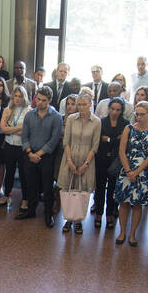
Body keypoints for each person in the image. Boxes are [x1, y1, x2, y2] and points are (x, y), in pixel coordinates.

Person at [114, 100, 148, 247]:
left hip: (143, 172)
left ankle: (133, 234)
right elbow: (121, 150)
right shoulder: (128, 128)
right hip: (127, 169)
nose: (139, 117)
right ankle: (122, 232)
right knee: (124, 202)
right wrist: (128, 170)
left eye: (142, 114)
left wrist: (137, 171)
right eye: (137, 114)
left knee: (137, 205)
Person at [17, 88, 63, 227]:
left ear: (49, 100)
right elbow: (24, 136)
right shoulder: (29, 115)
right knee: (31, 184)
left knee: (47, 186)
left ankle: (48, 214)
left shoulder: (56, 117)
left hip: (46, 156)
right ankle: (31, 210)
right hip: (30, 154)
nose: (40, 102)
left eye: (44, 100)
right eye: (38, 99)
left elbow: (54, 140)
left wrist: (38, 154)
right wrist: (30, 153)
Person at [57, 91, 101, 235]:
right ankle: (68, 219)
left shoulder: (96, 122)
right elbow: (66, 141)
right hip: (70, 157)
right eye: (79, 104)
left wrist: (85, 165)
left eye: (84, 104)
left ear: (90, 105)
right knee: (69, 189)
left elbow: (95, 146)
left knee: (82, 191)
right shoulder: (70, 119)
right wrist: (69, 161)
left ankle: (79, 221)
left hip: (87, 159)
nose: (81, 107)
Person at [92, 98, 125, 231]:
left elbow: (122, 142)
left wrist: (108, 139)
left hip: (116, 160)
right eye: (112, 109)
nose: (115, 112)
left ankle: (110, 214)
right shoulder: (101, 122)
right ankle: (99, 214)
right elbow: (99, 140)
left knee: (113, 188)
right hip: (101, 159)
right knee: (100, 187)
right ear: (109, 109)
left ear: (121, 110)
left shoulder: (125, 123)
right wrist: (114, 139)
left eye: (118, 109)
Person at [0, 85, 29, 209]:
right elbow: (3, 129)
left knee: (23, 173)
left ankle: (25, 199)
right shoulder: (7, 110)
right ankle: (6, 195)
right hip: (9, 145)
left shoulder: (29, 110)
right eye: (15, 96)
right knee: (9, 171)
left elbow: (27, 132)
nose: (17, 98)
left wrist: (11, 129)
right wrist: (18, 128)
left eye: (20, 96)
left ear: (24, 97)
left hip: (23, 146)